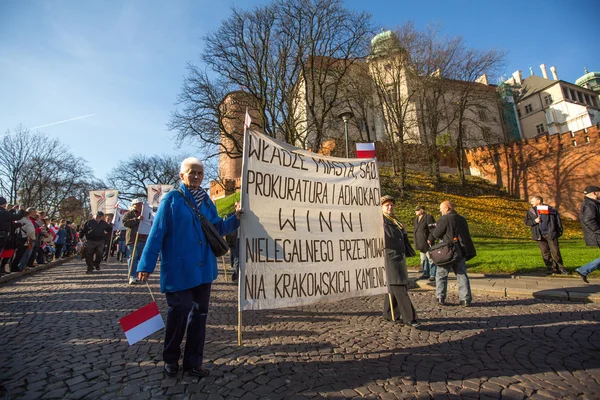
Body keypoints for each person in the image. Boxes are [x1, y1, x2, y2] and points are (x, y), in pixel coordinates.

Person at [137, 157, 241, 378]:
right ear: (181, 175)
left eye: (200, 173)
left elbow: (216, 229)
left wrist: (236, 218)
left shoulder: (207, 201)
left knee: (200, 316)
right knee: (180, 311)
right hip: (179, 269)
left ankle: (193, 362)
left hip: (204, 270)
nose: (195, 176)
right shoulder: (172, 199)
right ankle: (171, 359)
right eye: (191, 172)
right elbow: (157, 233)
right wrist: (145, 264)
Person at [381, 195, 421, 328]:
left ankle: (389, 313)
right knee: (399, 287)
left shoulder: (394, 221)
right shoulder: (381, 221)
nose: (390, 207)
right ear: (381, 207)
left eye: (392, 204)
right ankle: (410, 317)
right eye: (387, 205)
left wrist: (403, 232)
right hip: (389, 258)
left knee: (393, 287)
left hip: (398, 257)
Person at [429, 201, 476, 306]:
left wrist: (433, 229)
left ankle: (440, 297)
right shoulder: (462, 219)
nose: (440, 211)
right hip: (460, 251)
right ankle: (465, 299)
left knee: (441, 274)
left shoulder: (444, 219)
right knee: (462, 274)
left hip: (447, 251)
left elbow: (437, 234)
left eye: (441, 209)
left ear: (447, 208)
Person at [525, 196, 567, 275]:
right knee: (545, 252)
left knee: (555, 252)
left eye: (533, 201)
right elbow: (527, 222)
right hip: (539, 235)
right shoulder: (531, 211)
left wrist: (558, 232)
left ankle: (561, 268)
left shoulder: (551, 210)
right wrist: (535, 221)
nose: (531, 202)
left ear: (539, 201)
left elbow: (558, 221)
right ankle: (551, 268)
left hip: (550, 233)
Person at [575, 185, 600, 283]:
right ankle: (584, 270)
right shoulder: (589, 204)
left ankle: (584, 270)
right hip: (597, 235)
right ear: (595, 193)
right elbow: (588, 220)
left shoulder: (593, 203)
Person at [123, 198, 147, 284]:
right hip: (132, 239)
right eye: (138, 204)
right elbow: (125, 223)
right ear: (133, 205)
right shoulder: (129, 214)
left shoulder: (146, 213)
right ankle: (132, 276)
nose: (140, 206)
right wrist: (137, 219)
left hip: (142, 239)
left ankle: (139, 274)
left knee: (141, 259)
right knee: (133, 258)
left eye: (141, 204)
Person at [413, 206, 436, 281]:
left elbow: (432, 229)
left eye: (417, 210)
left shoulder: (428, 217)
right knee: (423, 259)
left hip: (427, 241)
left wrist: (430, 238)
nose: (416, 212)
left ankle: (432, 274)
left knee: (430, 258)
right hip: (420, 242)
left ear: (422, 210)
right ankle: (425, 273)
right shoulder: (416, 219)